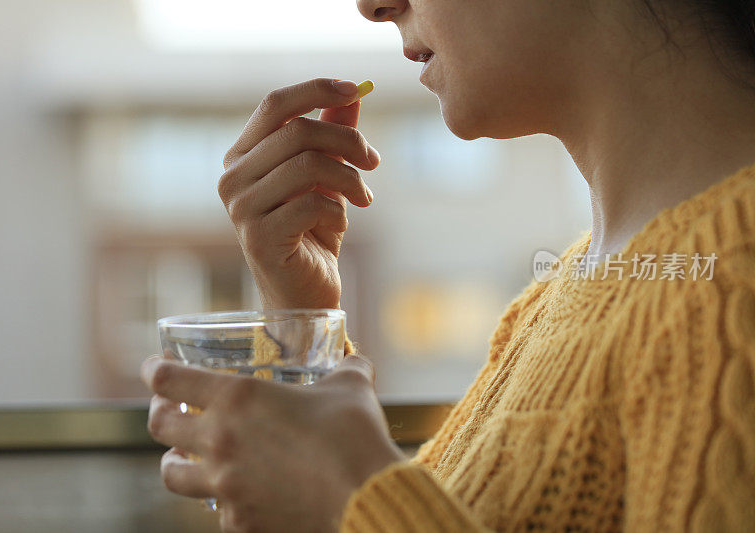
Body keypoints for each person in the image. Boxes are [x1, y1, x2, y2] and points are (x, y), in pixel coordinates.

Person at [140, 0, 755, 530]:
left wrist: (351, 506)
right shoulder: (567, 294)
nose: (372, 5)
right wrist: (305, 334)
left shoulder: (732, 284)